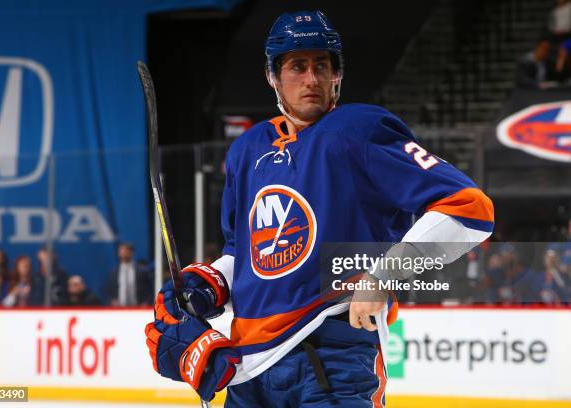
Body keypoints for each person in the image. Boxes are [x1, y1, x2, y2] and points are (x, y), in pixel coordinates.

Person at [144, 10, 494, 406]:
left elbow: (469, 208)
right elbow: (243, 253)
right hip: (247, 367)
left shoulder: (360, 130)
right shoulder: (247, 150)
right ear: (272, 76)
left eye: (321, 66)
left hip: (333, 353)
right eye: (297, 66)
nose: (311, 79)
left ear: (336, 75)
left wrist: (383, 276)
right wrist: (209, 284)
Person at [107, 242, 153, 306]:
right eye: (121, 250)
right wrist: (113, 301)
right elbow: (110, 291)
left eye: (126, 250)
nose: (123, 253)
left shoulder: (141, 271)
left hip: (139, 309)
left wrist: (146, 302)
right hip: (118, 309)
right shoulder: (113, 273)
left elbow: (148, 289)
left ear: (131, 253)